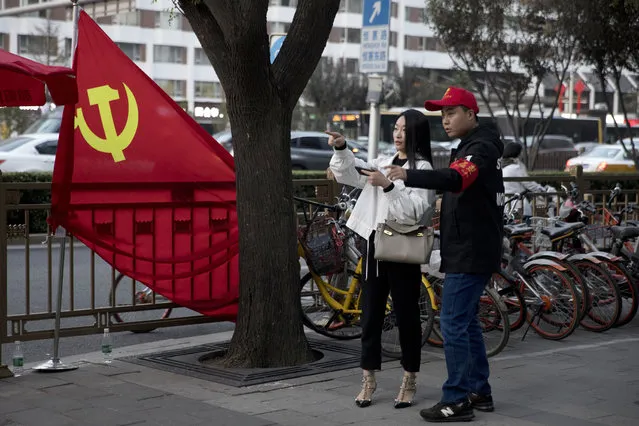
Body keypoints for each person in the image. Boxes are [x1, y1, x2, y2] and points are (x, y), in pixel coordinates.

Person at [383, 87, 504, 422]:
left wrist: (408, 174)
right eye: (443, 115)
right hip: (467, 248)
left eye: (452, 113)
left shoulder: (479, 148)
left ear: (471, 113)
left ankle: (457, 399)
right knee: (465, 324)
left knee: (452, 322)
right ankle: (479, 390)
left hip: (471, 251)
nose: (446, 120)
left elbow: (455, 179)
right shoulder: (470, 146)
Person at [327, 109, 435, 409]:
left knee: (407, 317)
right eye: (396, 128)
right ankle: (368, 379)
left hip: (402, 248)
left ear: (417, 134)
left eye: (404, 129)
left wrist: (387, 186)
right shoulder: (383, 161)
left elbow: (415, 212)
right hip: (374, 245)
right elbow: (349, 174)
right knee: (371, 315)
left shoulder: (422, 168)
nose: (398, 134)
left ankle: (409, 378)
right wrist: (342, 148)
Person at [502, 142, 551, 222]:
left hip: (505, 203)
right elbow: (529, 184)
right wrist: (542, 190)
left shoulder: (502, 165)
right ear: (517, 152)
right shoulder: (516, 167)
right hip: (518, 205)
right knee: (525, 228)